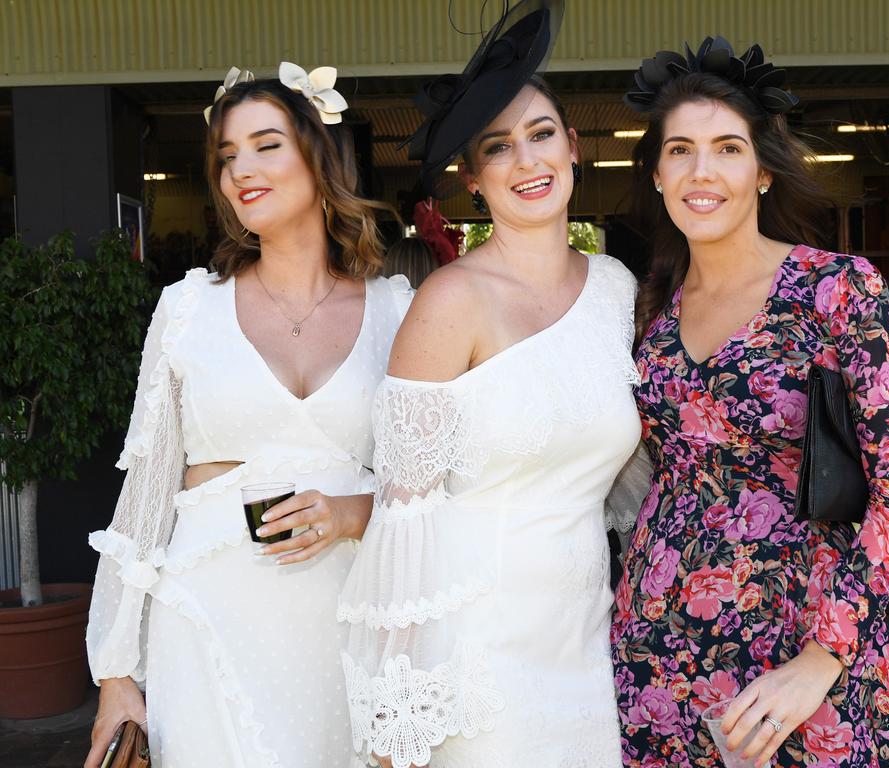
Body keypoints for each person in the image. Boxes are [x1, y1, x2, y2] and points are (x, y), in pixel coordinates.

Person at [610, 37, 889, 767]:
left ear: (760, 172)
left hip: (802, 643)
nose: (702, 171)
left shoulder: (837, 289)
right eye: (680, 150)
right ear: (657, 174)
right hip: (658, 652)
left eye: (727, 148)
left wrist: (826, 654)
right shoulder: (650, 311)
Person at [337, 2, 641, 766]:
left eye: (541, 134)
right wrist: (394, 713)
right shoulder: (450, 303)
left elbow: (630, 473)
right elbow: (403, 514)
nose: (527, 161)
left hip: (582, 641)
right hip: (473, 650)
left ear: (572, 149)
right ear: (473, 178)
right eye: (498, 148)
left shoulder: (615, 289)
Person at [84, 63, 412, 767]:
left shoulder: (398, 311)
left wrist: (355, 510)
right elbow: (141, 500)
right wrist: (116, 673)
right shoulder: (187, 308)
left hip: (344, 631)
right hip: (208, 624)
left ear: (319, 159)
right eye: (227, 157)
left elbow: (430, 489)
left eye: (266, 145)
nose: (241, 171)